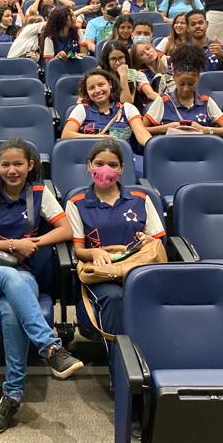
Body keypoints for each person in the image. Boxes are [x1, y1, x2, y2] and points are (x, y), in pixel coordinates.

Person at [0, 139, 81, 434]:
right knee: (10, 278)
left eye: (18, 164)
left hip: (21, 273)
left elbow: (66, 229)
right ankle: (50, 346)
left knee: (11, 308)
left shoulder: (40, 192)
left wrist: (34, 243)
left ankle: (12, 396)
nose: (11, 170)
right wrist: (15, 244)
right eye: (5, 164)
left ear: (30, 165)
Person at [65, 140, 165, 353]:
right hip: (102, 275)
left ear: (121, 168)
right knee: (114, 297)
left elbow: (158, 241)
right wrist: (94, 251)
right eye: (99, 163)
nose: (105, 170)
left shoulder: (141, 199)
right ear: (89, 166)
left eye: (112, 164)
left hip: (137, 269)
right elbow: (78, 250)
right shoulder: (77, 202)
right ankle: (120, 363)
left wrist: (147, 240)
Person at [144, 43, 223, 137]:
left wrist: (205, 129)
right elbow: (141, 130)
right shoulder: (163, 101)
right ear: (174, 77)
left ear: (198, 77)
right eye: (181, 84)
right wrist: (165, 128)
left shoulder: (206, 102)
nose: (186, 89)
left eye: (191, 84)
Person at [62, 68, 151, 152]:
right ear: (87, 91)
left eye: (101, 85)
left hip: (123, 157)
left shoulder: (128, 108)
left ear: (110, 84)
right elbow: (66, 135)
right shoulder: (81, 109)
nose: (97, 90)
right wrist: (98, 138)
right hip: (90, 157)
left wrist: (152, 145)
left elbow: (142, 134)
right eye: (91, 88)